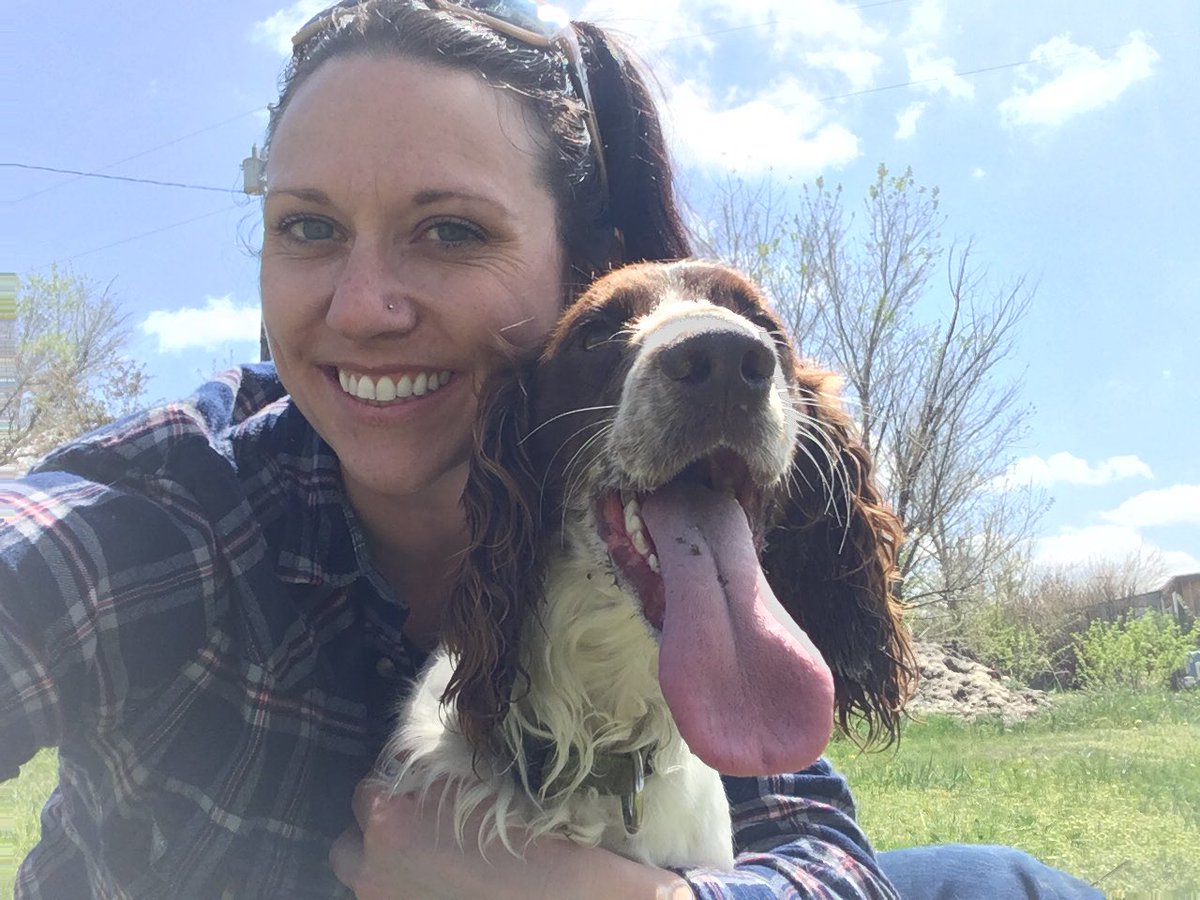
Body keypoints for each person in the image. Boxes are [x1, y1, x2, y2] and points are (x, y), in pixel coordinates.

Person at [0, 1, 1104, 897]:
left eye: (452, 230)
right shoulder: (167, 513)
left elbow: (819, 849)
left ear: (583, 270)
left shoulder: (665, 531)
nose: (365, 307)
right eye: (308, 226)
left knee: (1004, 881)